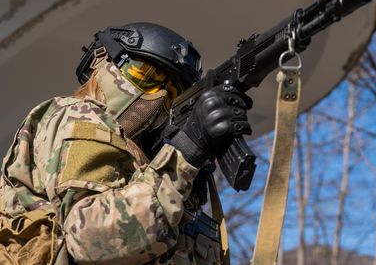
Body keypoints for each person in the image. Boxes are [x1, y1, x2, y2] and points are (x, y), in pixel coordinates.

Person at [0, 22, 252, 264]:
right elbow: (91, 239)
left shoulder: (146, 168)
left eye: (172, 95)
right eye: (145, 76)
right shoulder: (78, 114)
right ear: (101, 64)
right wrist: (184, 156)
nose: (158, 97)